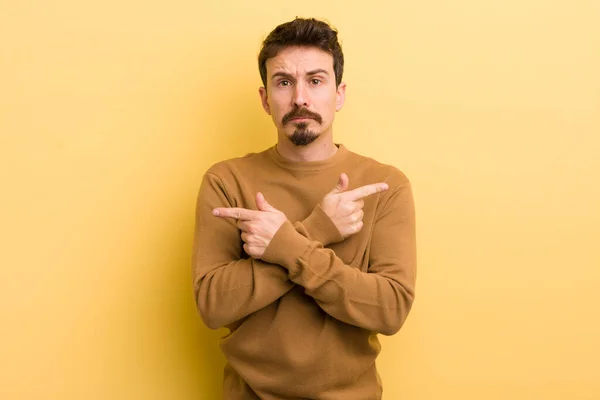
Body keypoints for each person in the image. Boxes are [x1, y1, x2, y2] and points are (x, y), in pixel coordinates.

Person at [192, 17, 416, 400]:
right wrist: (316, 231)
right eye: (284, 82)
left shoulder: (385, 184)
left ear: (339, 94)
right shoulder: (226, 180)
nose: (300, 98)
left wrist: (286, 246)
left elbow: (390, 309)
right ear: (265, 99)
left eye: (315, 80)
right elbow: (214, 306)